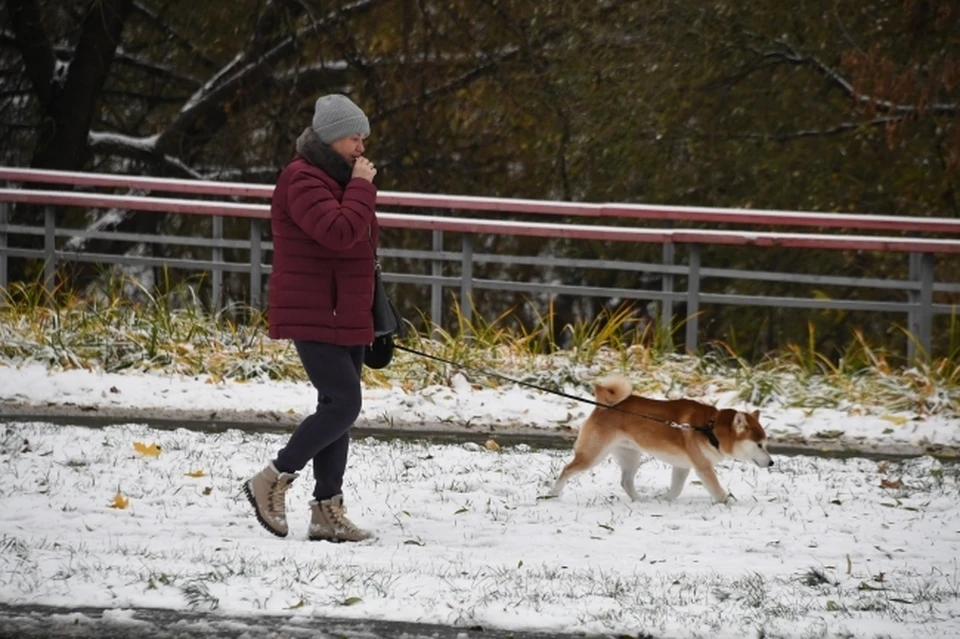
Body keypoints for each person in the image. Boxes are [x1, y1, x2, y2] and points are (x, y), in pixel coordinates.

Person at [243, 94, 379, 543]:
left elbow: (357, 241)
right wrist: (361, 188)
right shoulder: (300, 179)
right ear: (330, 136)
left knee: (336, 410)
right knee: (345, 404)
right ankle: (273, 476)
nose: (361, 148)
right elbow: (340, 233)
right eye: (354, 138)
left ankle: (327, 510)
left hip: (347, 310)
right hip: (314, 310)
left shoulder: (338, 179)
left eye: (363, 139)